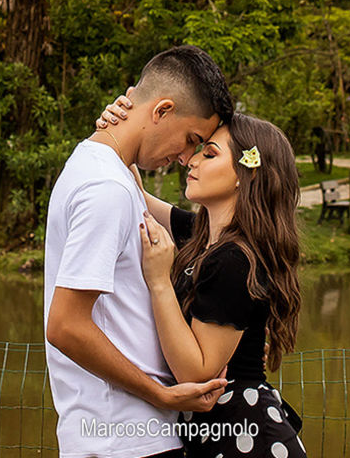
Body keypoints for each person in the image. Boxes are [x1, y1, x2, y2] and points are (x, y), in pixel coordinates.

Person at [44, 45, 236, 458]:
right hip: (124, 437)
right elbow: (65, 325)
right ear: (162, 109)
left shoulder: (106, 173)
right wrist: (160, 395)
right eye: (191, 139)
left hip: (124, 433)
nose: (186, 157)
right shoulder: (107, 189)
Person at [101, 98, 306, 458]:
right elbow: (139, 196)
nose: (192, 161)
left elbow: (196, 376)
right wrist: (120, 124)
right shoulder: (205, 237)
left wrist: (160, 281)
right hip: (224, 433)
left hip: (242, 437)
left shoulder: (234, 260)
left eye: (209, 154)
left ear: (247, 175)